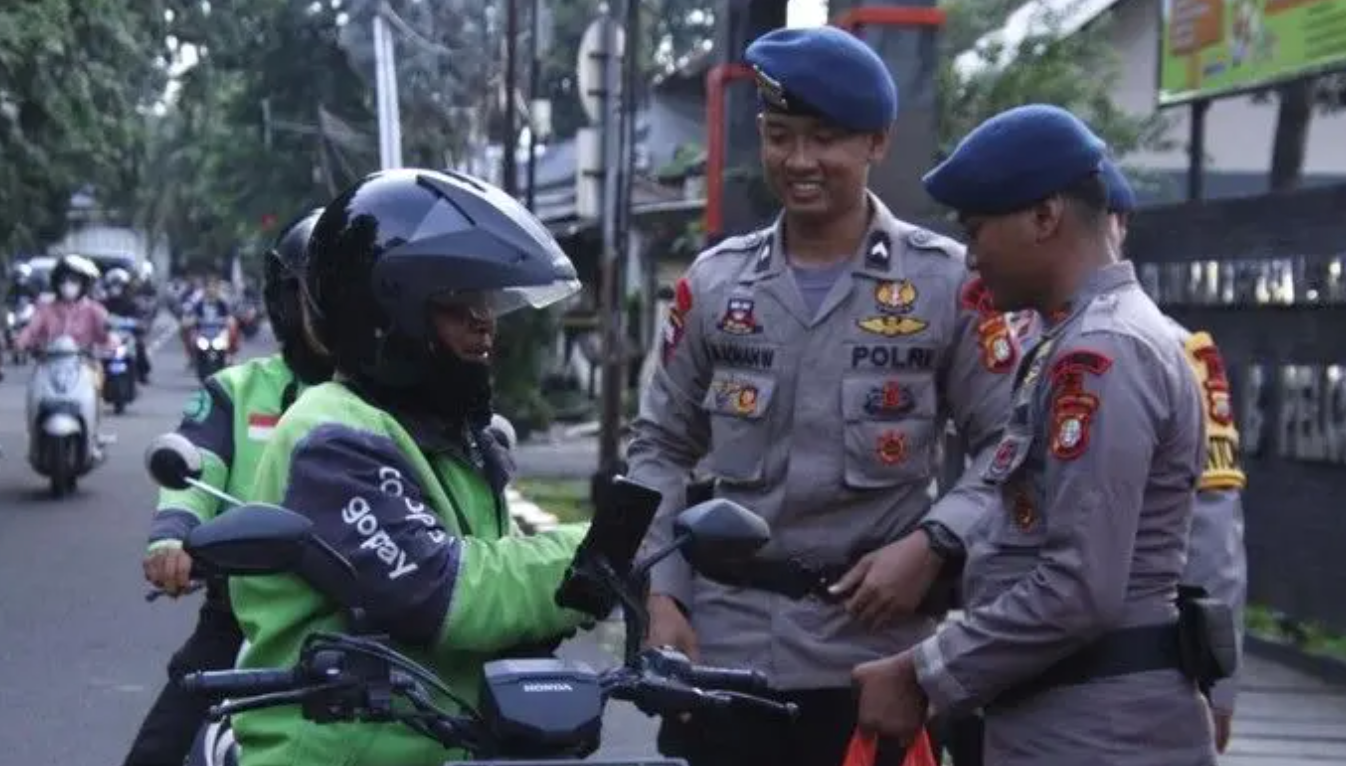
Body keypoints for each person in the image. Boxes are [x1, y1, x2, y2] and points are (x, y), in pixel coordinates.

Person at [630, 26, 1018, 766]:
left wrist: (936, 543)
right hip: (725, 650)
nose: (799, 160)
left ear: (877, 143)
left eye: (825, 139)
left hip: (875, 661)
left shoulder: (947, 284)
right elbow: (660, 447)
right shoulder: (715, 284)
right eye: (779, 137)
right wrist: (663, 596)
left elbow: (1009, 445)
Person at [852, 104, 1219, 766]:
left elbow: (1079, 588)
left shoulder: (1103, 353)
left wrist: (922, 673)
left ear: (1045, 217)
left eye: (978, 231)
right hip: (1071, 721)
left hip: (1096, 736)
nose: (971, 260)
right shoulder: (1075, 340)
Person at [230, 168, 606, 766]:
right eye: (459, 303)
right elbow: (440, 591)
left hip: (446, 745)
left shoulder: (445, 439)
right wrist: (600, 552)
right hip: (336, 753)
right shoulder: (332, 435)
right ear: (390, 311)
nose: (485, 321)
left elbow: (505, 591)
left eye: (486, 301)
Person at [121, 209, 336, 766]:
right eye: (318, 294)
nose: (334, 310)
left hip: (384, 628)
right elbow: (194, 472)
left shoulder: (405, 399)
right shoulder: (235, 391)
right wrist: (172, 538)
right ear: (288, 303)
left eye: (348, 294)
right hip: (245, 620)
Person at [1101, 158, 1248, 753]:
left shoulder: (1179, 353)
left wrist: (1217, 683)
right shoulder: (1014, 344)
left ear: (1120, 224)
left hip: (1133, 667)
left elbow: (1212, 532)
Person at [17, 255, 113, 453]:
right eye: (63, 281)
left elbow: (106, 333)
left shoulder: (94, 310)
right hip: (48, 363)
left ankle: (93, 433)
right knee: (34, 392)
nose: (68, 285)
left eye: (74, 281)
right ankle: (33, 435)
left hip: (85, 363)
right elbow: (31, 330)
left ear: (83, 284)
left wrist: (110, 342)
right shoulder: (45, 309)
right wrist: (20, 343)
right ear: (56, 284)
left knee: (97, 387)